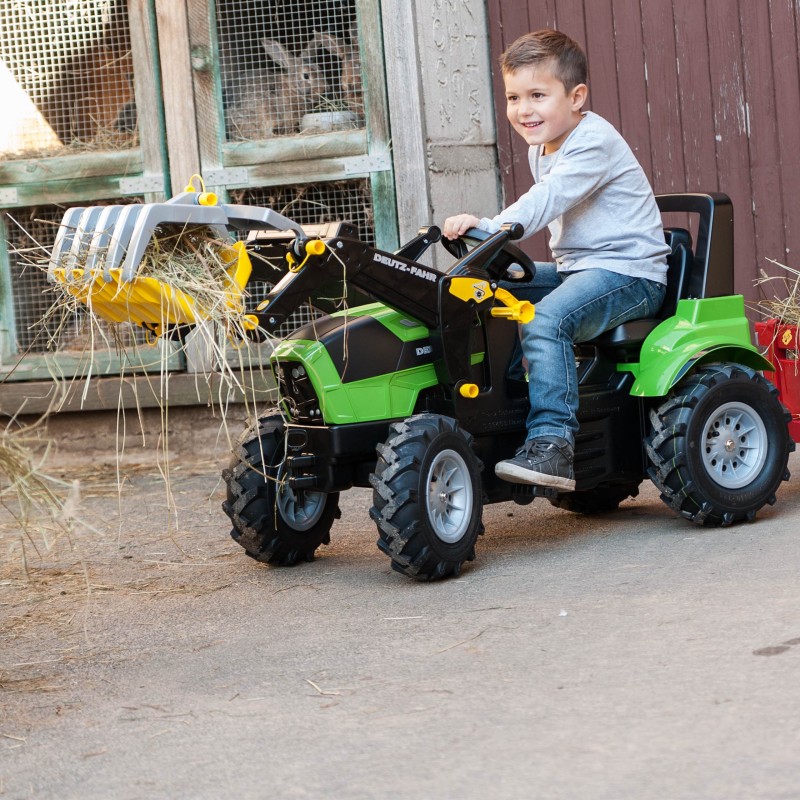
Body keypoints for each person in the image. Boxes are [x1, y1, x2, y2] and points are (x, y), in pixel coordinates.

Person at [443, 29, 669, 492]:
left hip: (629, 273)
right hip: (579, 271)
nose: (523, 109)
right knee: (485, 293)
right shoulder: (542, 146)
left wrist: (492, 227)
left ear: (576, 97)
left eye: (538, 95)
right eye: (514, 97)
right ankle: (506, 409)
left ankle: (553, 443)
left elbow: (548, 198)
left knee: (544, 319)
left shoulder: (593, 141)